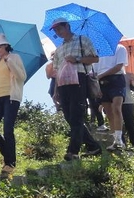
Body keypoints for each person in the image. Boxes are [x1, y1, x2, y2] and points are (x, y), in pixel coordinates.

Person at [50, 18, 102, 161]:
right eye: (55, 30)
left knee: (77, 115)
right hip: (62, 83)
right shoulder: (59, 49)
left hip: (79, 79)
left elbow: (95, 59)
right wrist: (55, 91)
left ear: (67, 26)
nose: (57, 32)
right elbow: (56, 71)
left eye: (59, 28)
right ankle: (93, 146)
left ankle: (73, 151)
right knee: (69, 116)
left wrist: (77, 59)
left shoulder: (82, 40)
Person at [0, 33, 26, 179]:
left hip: (11, 97)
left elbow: (22, 77)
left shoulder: (14, 58)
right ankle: (9, 155)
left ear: (5, 46)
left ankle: (9, 163)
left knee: (8, 129)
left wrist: (10, 62)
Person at [93, 42, 128, 150]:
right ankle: (115, 140)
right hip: (102, 82)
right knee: (108, 112)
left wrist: (101, 76)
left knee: (116, 108)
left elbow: (119, 66)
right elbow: (94, 71)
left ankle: (119, 139)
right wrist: (96, 85)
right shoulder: (97, 52)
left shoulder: (120, 48)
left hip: (116, 80)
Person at [121, 71, 134, 148]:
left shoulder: (130, 74)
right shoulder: (113, 73)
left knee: (131, 123)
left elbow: (133, 88)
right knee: (118, 124)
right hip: (116, 102)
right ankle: (122, 143)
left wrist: (133, 81)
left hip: (128, 101)